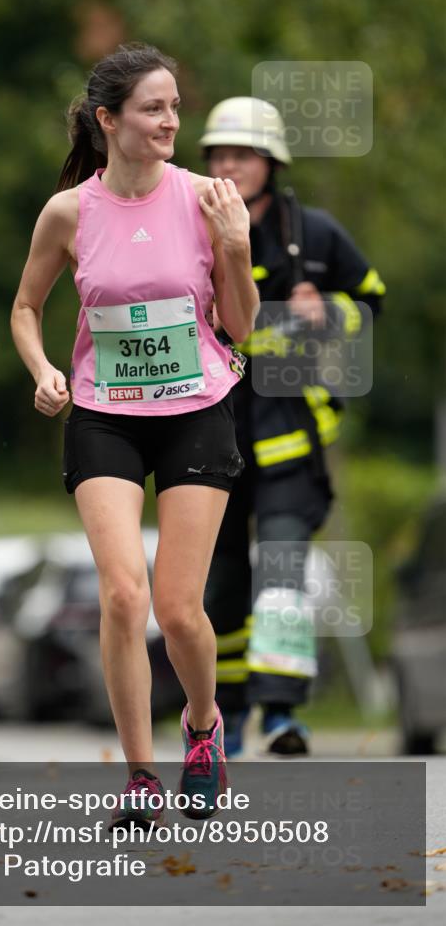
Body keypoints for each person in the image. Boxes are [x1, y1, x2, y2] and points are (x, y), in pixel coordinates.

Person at [11, 44, 258, 827]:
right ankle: (140, 777)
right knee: (123, 595)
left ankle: (200, 725)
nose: (170, 121)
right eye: (153, 108)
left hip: (195, 409)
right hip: (105, 413)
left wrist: (237, 246)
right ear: (108, 120)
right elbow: (24, 308)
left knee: (179, 610)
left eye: (175, 107)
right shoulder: (68, 212)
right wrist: (44, 368)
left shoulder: (206, 198)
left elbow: (244, 326)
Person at [199, 97, 385, 757]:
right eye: (219, 155)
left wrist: (327, 311)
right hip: (207, 436)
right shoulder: (186, 225)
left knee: (280, 570)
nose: (229, 165)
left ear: (269, 163)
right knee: (219, 585)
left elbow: (371, 302)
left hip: (289, 443)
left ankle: (281, 716)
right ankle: (224, 713)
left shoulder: (315, 233)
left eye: (242, 154)